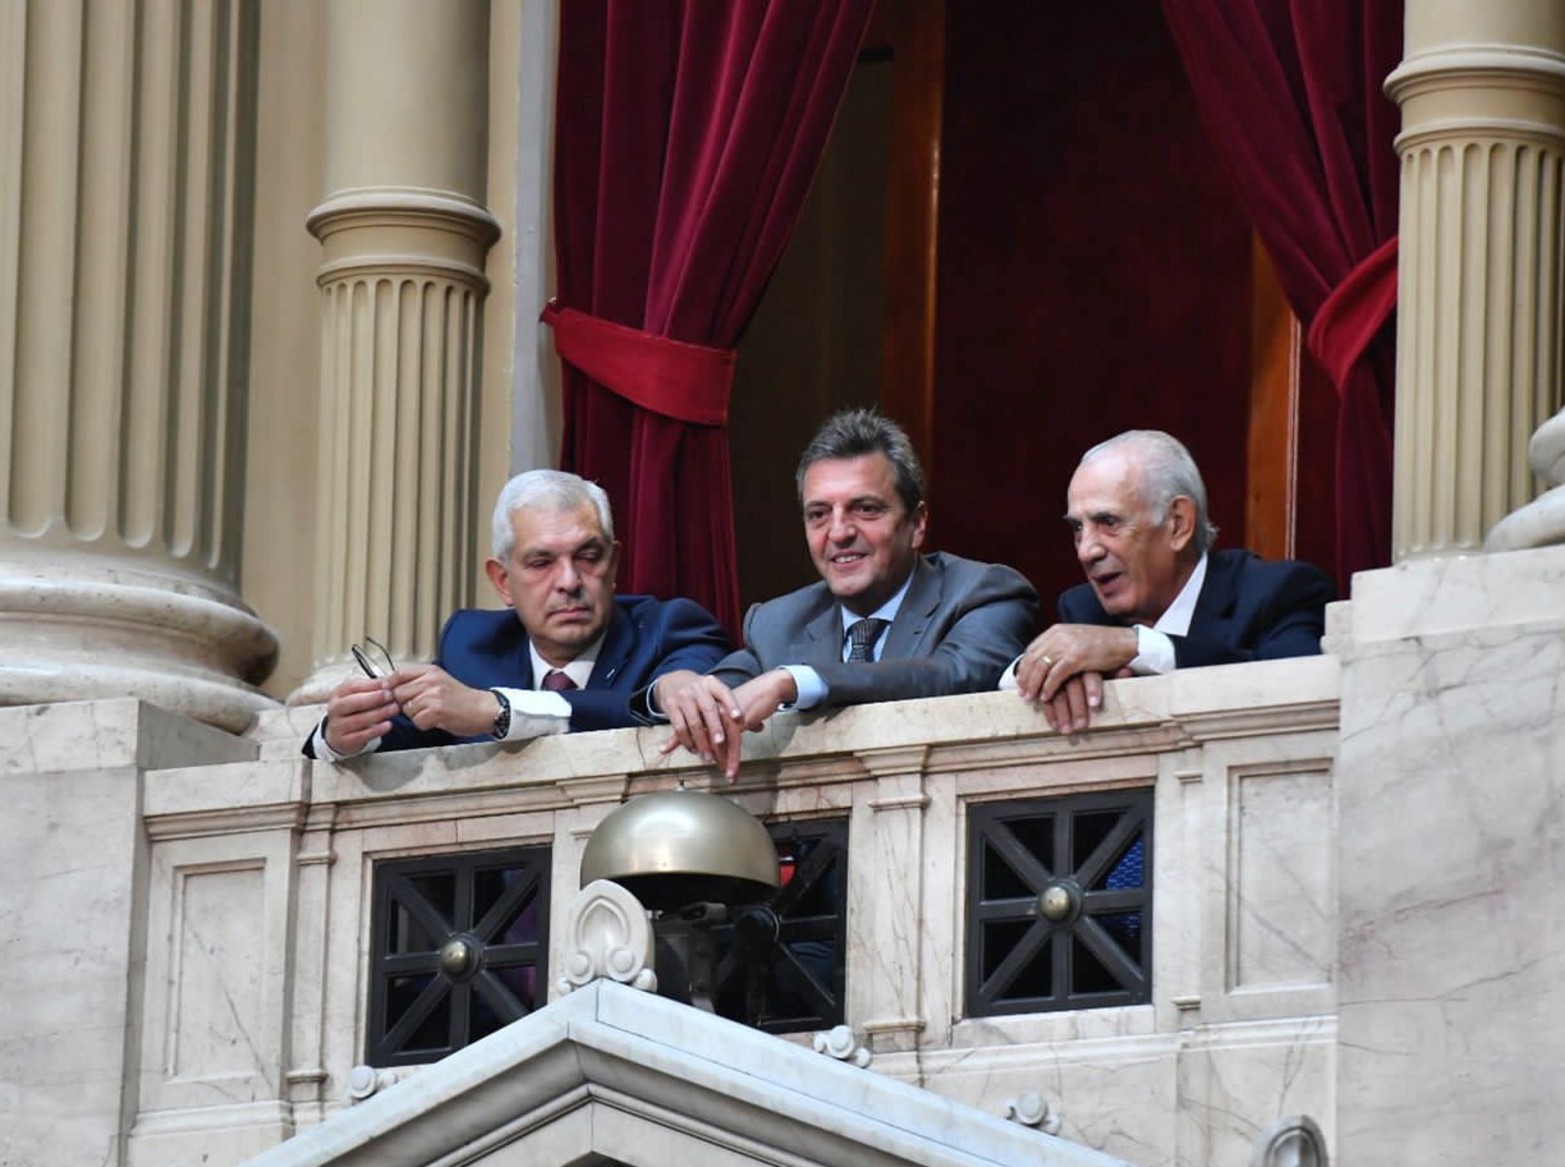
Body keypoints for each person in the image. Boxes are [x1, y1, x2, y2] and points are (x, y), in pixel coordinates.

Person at [653, 409, 1038, 778]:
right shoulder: (776, 621)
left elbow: (956, 677)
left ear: (917, 524)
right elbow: (722, 689)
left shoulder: (983, 592)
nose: (838, 533)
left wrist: (796, 681)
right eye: (819, 514)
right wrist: (674, 689)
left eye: (865, 509)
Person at [303, 469, 731, 759]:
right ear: (503, 581)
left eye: (587, 556)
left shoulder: (670, 630)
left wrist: (499, 710)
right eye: (541, 563)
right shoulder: (473, 647)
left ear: (613, 565)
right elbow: (395, 743)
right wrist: (342, 736)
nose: (568, 580)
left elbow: (652, 704)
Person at [1005, 429, 1334, 732]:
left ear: (1178, 523)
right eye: (1078, 528)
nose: (1086, 551)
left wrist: (1135, 647)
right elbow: (1006, 687)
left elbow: (1298, 687)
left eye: (1108, 522)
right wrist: (1043, 670)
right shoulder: (1084, 608)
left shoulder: (1279, 591)